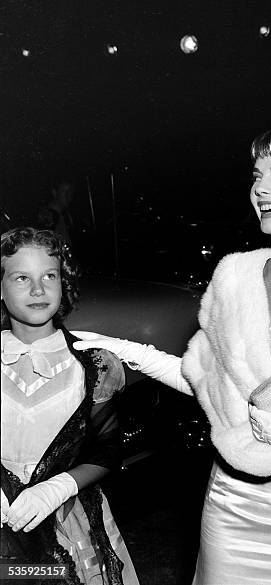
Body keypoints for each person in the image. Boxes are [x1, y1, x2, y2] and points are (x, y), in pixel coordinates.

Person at [73, 128, 271, 585]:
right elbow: (208, 384)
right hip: (232, 507)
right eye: (257, 176)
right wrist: (129, 351)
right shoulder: (236, 276)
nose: (260, 189)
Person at [0, 227, 139, 584]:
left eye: (49, 275)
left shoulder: (94, 365)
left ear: (64, 283)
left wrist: (57, 487)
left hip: (68, 521)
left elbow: (108, 450)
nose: (38, 290)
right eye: (21, 278)